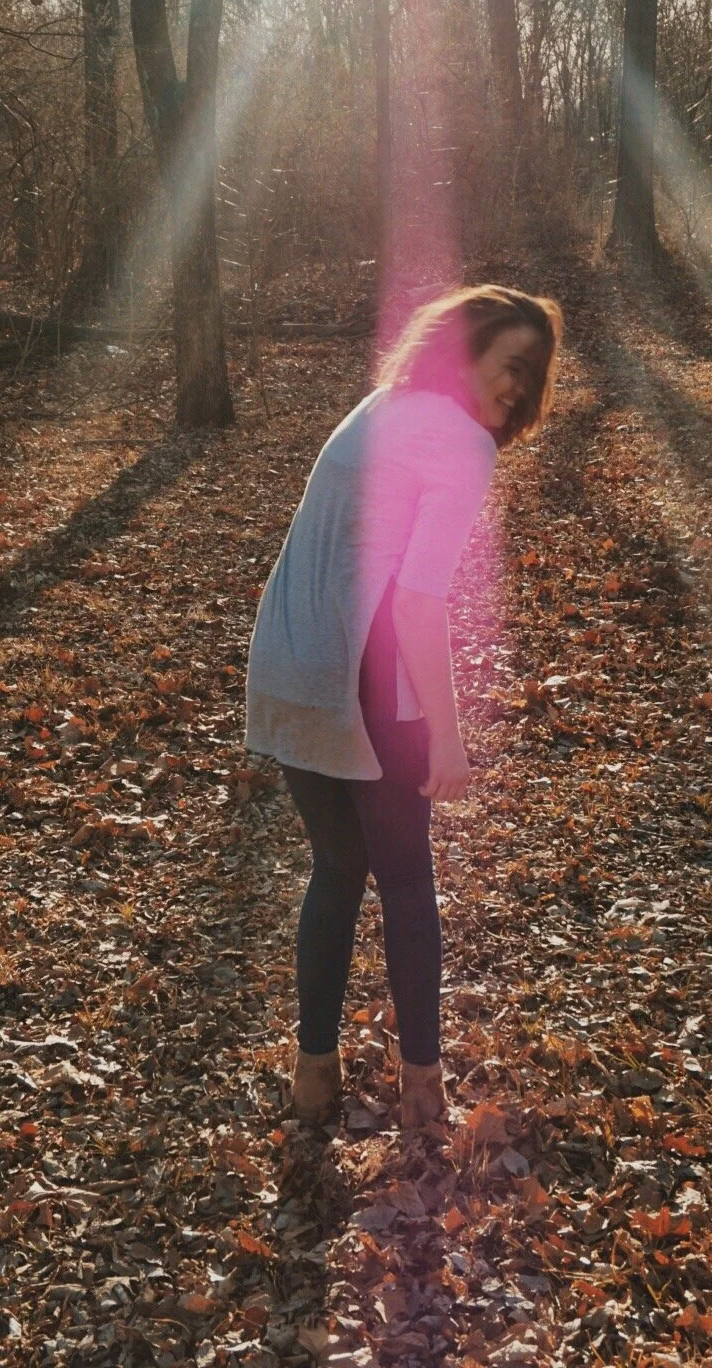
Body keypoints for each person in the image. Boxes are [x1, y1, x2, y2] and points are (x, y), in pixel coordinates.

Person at [244, 285, 563, 1127]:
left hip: (289, 658)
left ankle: (314, 1079)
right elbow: (419, 603)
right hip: (364, 677)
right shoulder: (461, 443)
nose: (521, 392)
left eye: (535, 378)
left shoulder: (381, 406)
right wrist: (449, 743)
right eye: (513, 366)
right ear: (467, 352)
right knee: (408, 884)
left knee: (337, 871)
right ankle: (425, 1095)